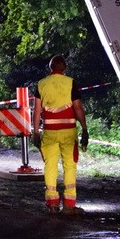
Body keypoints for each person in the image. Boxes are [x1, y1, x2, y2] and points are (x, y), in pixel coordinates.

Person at [32, 55, 89, 214]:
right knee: (69, 166)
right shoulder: (70, 82)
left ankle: (52, 203)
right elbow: (78, 107)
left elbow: (37, 110)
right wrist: (84, 128)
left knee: (50, 166)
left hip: (49, 132)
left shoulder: (42, 84)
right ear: (64, 68)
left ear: (51, 68)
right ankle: (69, 205)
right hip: (68, 132)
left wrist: (35, 131)